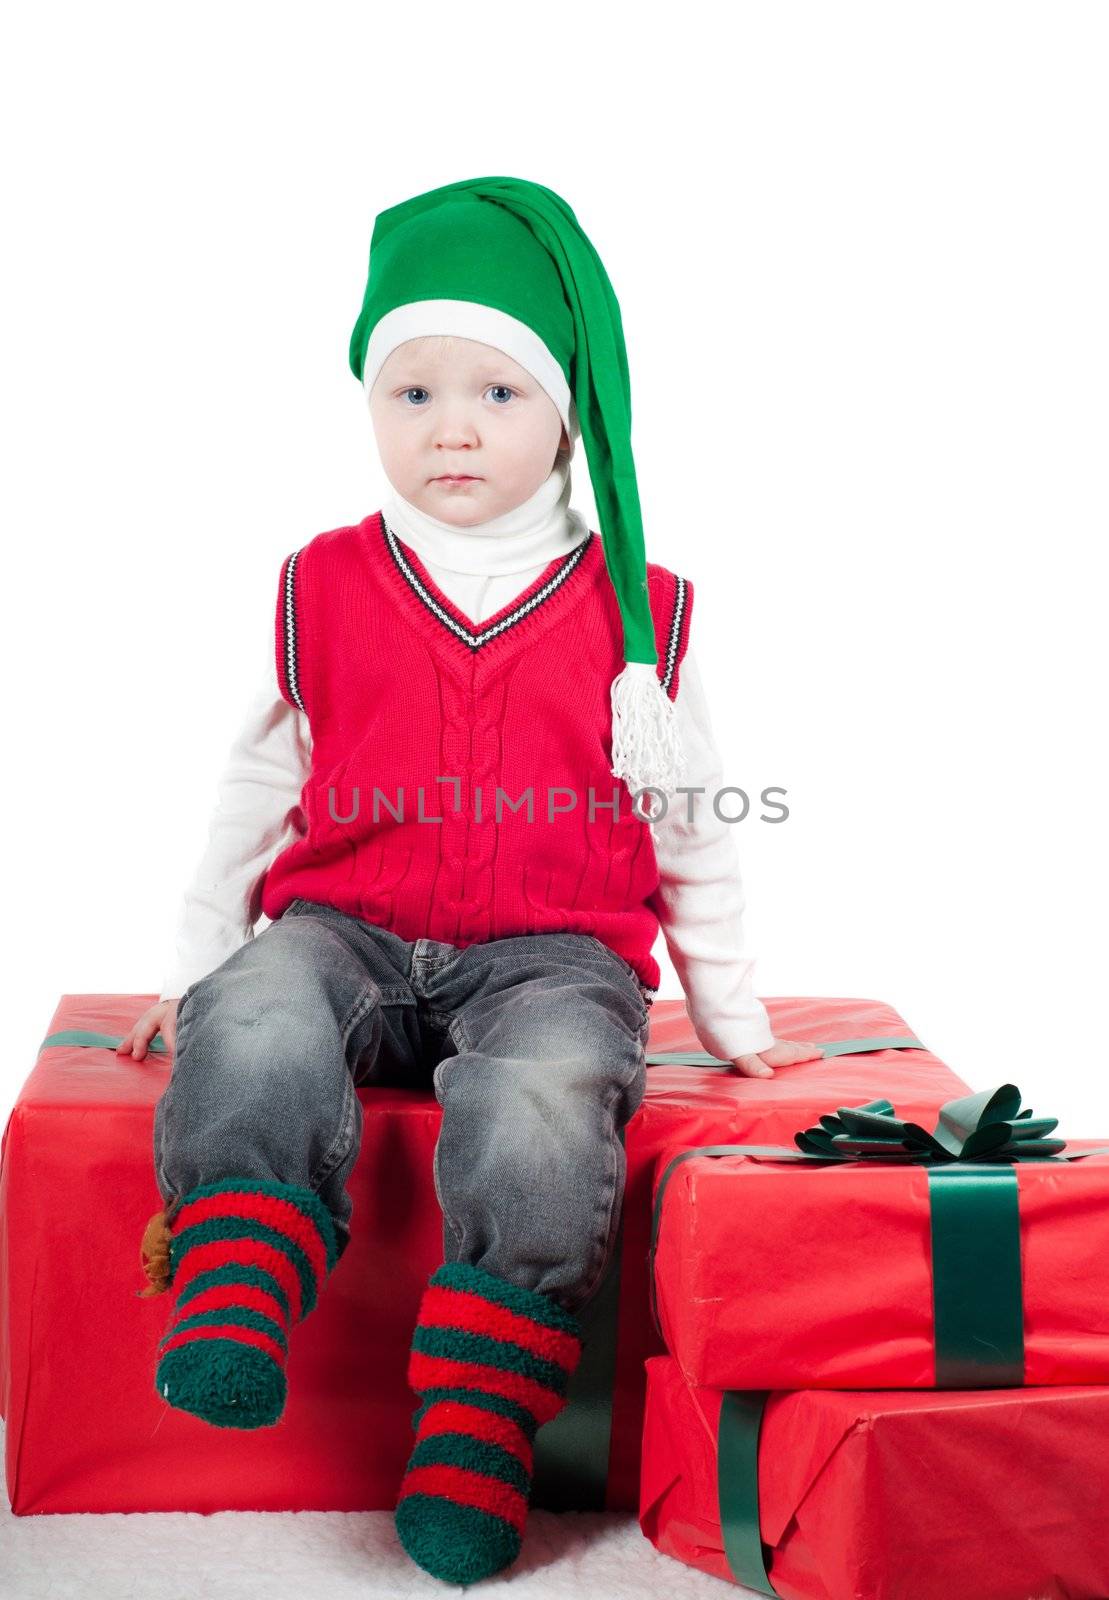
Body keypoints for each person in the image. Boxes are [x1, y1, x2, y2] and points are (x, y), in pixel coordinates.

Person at [124, 176, 822, 1585]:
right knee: (261, 1016)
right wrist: (198, 966)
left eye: (497, 394)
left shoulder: (643, 617)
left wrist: (731, 1018)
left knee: (549, 1094)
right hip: (347, 933)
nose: (450, 425)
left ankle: (479, 1415)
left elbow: (692, 825)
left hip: (550, 955)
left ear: (565, 414)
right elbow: (255, 787)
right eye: (414, 390)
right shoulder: (321, 582)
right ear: (370, 407)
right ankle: (237, 1282)